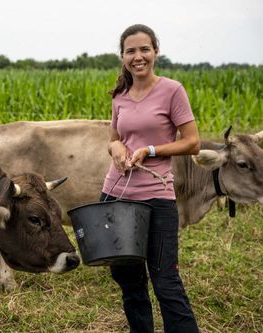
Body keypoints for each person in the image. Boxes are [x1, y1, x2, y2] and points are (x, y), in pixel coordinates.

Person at [101, 24, 200, 333]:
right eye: (131, 51)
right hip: (116, 196)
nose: (138, 56)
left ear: (156, 51)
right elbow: (114, 137)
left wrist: (151, 149)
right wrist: (116, 148)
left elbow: (192, 142)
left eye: (144, 49)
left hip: (156, 199)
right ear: (122, 56)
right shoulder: (120, 95)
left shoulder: (172, 90)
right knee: (129, 281)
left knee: (166, 281)